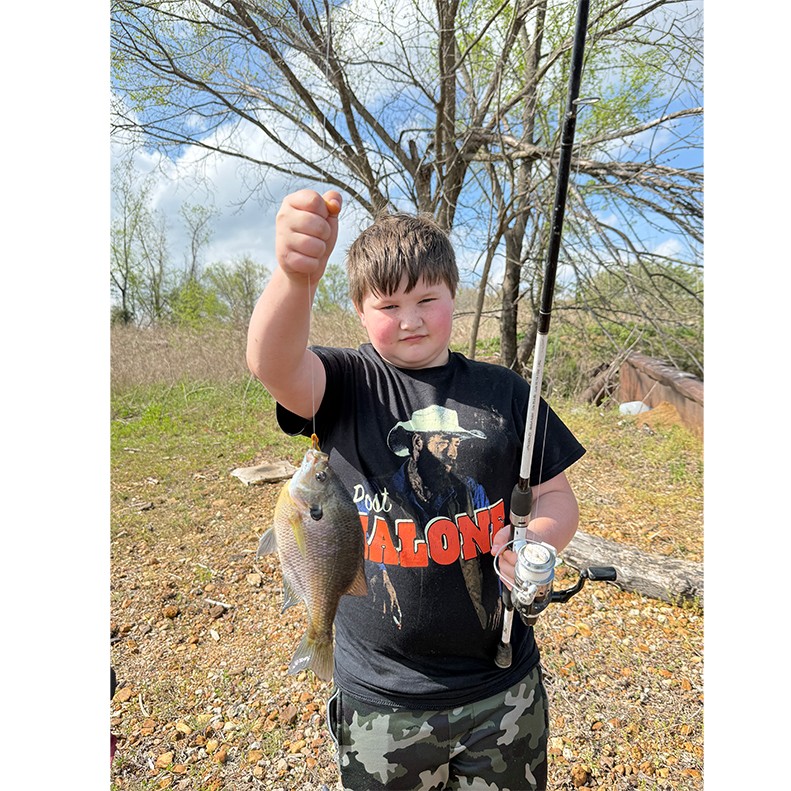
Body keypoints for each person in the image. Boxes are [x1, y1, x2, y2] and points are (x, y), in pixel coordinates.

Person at [246, 189, 585, 791]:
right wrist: (294, 278)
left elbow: (556, 497)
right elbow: (272, 363)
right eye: (389, 304)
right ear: (358, 310)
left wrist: (541, 547)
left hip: (501, 684)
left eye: (429, 299)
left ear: (455, 296)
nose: (410, 319)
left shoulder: (506, 393)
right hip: (383, 696)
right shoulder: (346, 384)